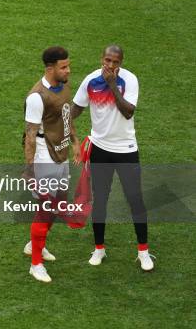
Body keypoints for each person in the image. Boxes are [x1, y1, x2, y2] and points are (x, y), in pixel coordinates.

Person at [72, 45, 154, 271]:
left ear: (121, 62)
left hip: (126, 150)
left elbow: (128, 111)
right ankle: (99, 248)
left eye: (115, 62)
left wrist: (111, 85)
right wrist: (59, 119)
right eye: (107, 60)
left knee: (135, 200)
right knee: (100, 200)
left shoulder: (129, 80)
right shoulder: (90, 80)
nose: (110, 65)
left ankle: (143, 252)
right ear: (101, 59)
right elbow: (77, 108)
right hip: (100, 150)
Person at [23, 47, 80, 283]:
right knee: (46, 207)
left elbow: (66, 117)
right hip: (44, 155)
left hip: (61, 151)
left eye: (68, 65)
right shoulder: (37, 97)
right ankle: (36, 264)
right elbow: (30, 135)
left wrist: (75, 141)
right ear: (50, 68)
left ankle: (35, 243)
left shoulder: (64, 85)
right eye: (63, 66)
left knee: (59, 203)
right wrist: (30, 169)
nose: (68, 70)